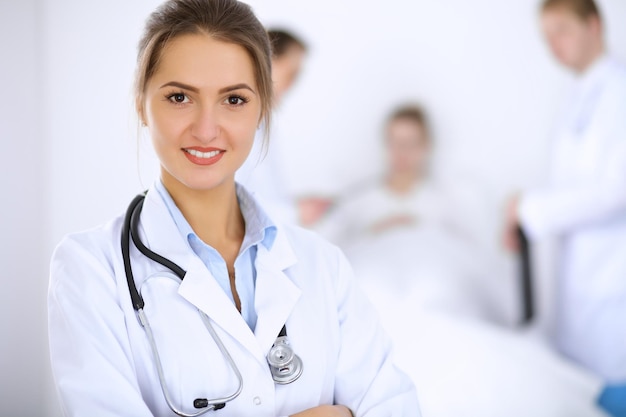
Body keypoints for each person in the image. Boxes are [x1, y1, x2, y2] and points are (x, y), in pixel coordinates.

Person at [47, 1, 420, 416]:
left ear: (263, 108)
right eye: (179, 96)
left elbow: (396, 406)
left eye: (234, 100)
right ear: (141, 103)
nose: (206, 129)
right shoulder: (91, 270)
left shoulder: (323, 267)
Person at [502, 1, 626, 415]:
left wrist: (530, 209)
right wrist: (523, 208)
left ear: (593, 25)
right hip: (580, 279)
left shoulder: (620, 90)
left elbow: (615, 190)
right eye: (546, 35)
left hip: (613, 276)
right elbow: (571, 187)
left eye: (562, 30)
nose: (553, 43)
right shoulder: (576, 93)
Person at [314, 104, 492, 320]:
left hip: (433, 307)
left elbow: (469, 266)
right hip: (373, 303)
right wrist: (376, 232)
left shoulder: (443, 203)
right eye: (395, 143)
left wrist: (419, 232)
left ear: (426, 147)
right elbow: (325, 253)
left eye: (410, 144)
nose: (401, 153)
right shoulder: (359, 202)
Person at [235, 28, 307, 225]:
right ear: (267, 62)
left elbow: (263, 190)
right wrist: (294, 213)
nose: (293, 84)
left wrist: (295, 208)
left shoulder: (263, 120)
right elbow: (233, 200)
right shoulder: (238, 119)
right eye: (292, 73)